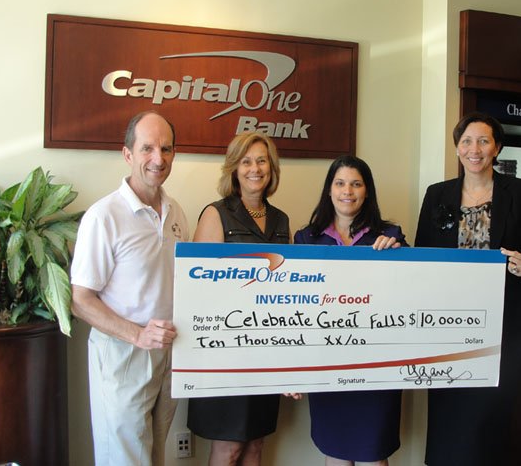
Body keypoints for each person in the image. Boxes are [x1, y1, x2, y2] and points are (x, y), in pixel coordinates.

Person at [415, 111, 521, 465]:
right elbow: (422, 255)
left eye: (484, 141)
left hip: (505, 324)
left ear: (497, 148)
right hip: (448, 325)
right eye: (467, 141)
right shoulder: (437, 194)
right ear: (457, 148)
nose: (475, 149)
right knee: (449, 410)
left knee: (493, 410)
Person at [70, 111, 189, 466]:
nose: (158, 158)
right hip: (123, 356)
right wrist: (137, 335)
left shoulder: (177, 212)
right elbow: (81, 300)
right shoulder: (103, 216)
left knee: (154, 456)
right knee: (124, 459)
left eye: (166, 149)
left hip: (168, 353)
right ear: (128, 154)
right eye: (147, 148)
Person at [187, 131, 290, 466]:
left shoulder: (281, 220)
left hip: (265, 347)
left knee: (256, 444)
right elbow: (196, 289)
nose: (254, 169)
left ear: (271, 169)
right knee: (229, 447)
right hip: (225, 350)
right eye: (246, 161)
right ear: (234, 168)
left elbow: (287, 286)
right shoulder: (216, 215)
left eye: (261, 161)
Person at [294, 155, 405, 466]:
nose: (347, 191)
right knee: (336, 452)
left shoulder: (389, 236)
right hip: (327, 363)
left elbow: (408, 295)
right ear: (329, 190)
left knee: (373, 453)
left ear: (367, 191)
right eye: (340, 183)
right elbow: (295, 306)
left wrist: (399, 258)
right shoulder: (306, 238)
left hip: (376, 365)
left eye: (356, 184)